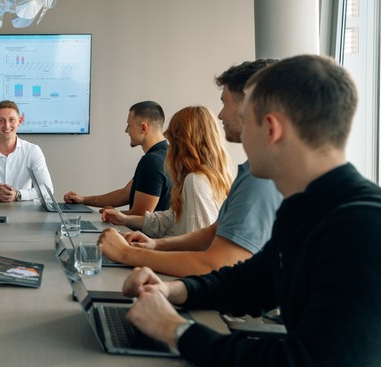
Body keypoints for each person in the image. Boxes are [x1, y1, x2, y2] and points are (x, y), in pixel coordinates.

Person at [114, 55, 381, 367]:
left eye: (244, 121)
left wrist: (175, 329)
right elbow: (250, 282)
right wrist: (174, 291)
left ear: (272, 129)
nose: (232, 129)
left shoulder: (368, 231)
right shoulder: (305, 208)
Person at [99, 60, 282, 277]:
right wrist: (154, 245)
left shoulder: (257, 179)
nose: (221, 115)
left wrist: (127, 254)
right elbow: (208, 231)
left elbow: (209, 261)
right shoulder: (248, 171)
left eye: (225, 102)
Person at [102, 106, 233, 238]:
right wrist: (124, 219)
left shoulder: (195, 180)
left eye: (173, 140)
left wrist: (147, 249)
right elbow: (170, 220)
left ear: (182, 142)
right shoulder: (207, 176)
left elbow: (195, 246)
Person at [64, 101, 171, 215]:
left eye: (129, 125)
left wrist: (113, 213)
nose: (126, 130)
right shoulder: (168, 154)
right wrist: (84, 200)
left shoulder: (151, 161)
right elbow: (125, 193)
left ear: (143, 128)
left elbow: (141, 215)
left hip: (147, 233)